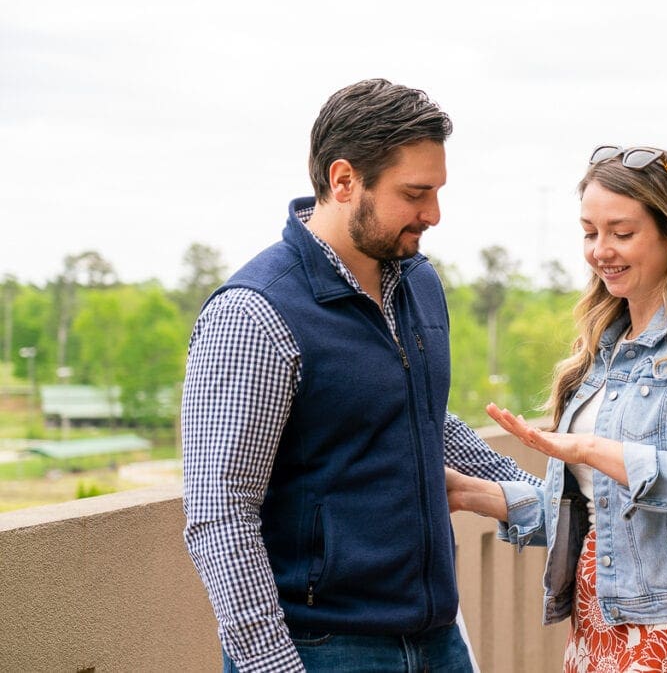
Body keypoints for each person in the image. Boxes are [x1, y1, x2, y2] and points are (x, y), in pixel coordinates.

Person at [181, 79, 540, 672]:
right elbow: (221, 511)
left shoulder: (418, 281)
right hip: (323, 650)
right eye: (415, 193)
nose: (434, 214)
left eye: (438, 191)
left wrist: (534, 496)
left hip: (437, 640)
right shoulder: (254, 313)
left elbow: (422, 413)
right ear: (344, 181)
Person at [445, 145, 667, 671]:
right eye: (590, 232)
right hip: (597, 613)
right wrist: (472, 493)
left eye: (622, 232)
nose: (600, 250)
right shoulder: (603, 348)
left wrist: (590, 448)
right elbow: (598, 513)